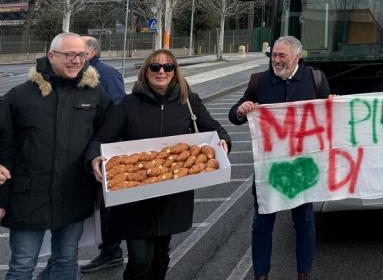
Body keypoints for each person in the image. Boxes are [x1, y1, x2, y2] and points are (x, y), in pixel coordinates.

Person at [92, 49, 230, 280]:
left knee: (161, 257)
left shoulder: (189, 101)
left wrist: (224, 141)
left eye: (168, 67)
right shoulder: (128, 104)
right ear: (146, 72)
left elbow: (213, 128)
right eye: (155, 67)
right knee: (139, 259)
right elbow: (102, 138)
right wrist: (95, 156)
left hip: (172, 197)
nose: (162, 71)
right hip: (135, 197)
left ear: (175, 72)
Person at [0, 33, 113, 280]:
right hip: (27, 198)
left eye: (81, 55)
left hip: (73, 195)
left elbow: (110, 129)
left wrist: (95, 153)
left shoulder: (94, 94)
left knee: (65, 260)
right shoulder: (20, 96)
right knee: (22, 265)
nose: (76, 60)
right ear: (51, 56)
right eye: (69, 55)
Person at [229, 36, 330, 280]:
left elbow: (328, 113)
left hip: (303, 165)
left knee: (304, 222)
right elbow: (235, 114)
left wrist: (333, 103)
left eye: (281, 56)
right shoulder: (260, 81)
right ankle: (261, 275)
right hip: (269, 168)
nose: (276, 60)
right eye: (273, 55)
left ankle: (303, 273)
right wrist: (242, 111)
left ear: (297, 56)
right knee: (262, 224)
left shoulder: (315, 79)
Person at [79, 36, 128, 274]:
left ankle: (111, 251)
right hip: (83, 149)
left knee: (107, 205)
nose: (74, 56)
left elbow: (118, 109)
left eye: (79, 51)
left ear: (90, 52)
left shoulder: (106, 74)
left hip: (101, 149)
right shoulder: (78, 74)